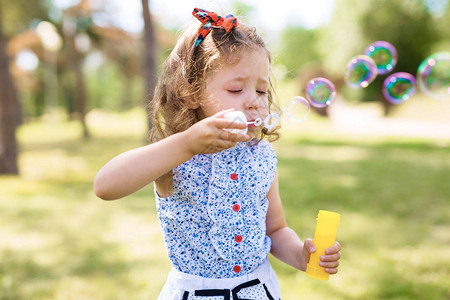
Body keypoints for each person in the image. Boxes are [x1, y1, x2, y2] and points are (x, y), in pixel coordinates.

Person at [94, 8, 342, 299]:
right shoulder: (176, 155)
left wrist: (301, 255)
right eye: (237, 89)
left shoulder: (261, 156)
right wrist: (187, 144)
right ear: (191, 93)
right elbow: (105, 186)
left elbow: (275, 229)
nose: (254, 102)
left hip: (257, 291)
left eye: (261, 91)